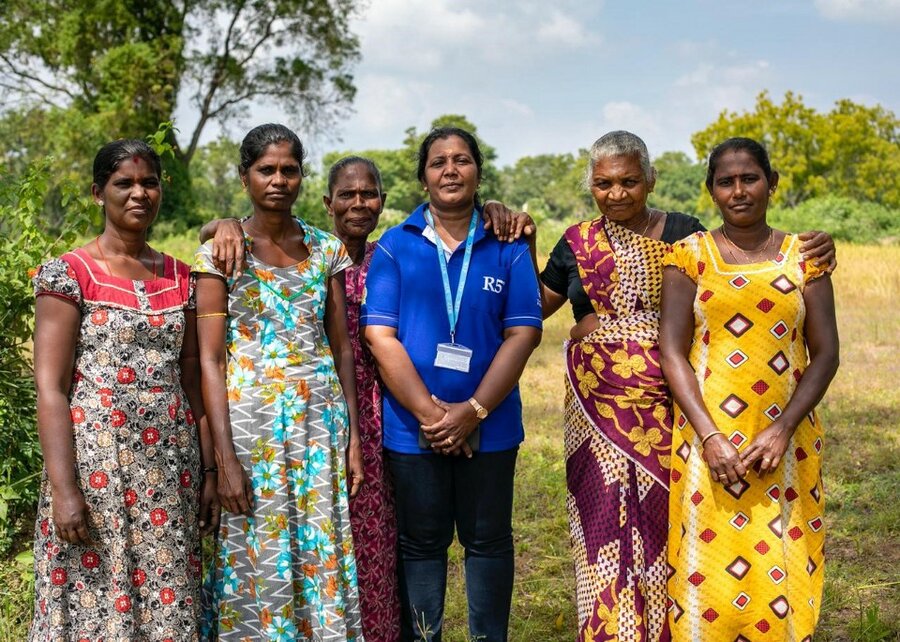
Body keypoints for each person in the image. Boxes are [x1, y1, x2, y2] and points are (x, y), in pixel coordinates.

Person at [520, 130, 836, 641]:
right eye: (604, 184)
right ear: (591, 187)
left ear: (650, 181)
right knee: (601, 529)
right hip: (596, 414)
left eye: (628, 182)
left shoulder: (685, 236)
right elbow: (533, 307)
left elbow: (745, 273)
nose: (617, 194)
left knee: (673, 530)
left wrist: (819, 245)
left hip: (671, 410)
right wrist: (520, 246)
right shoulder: (577, 243)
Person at [29, 139, 217, 641]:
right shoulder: (70, 274)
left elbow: (192, 380)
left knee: (166, 606)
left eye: (149, 182)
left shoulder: (182, 278)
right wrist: (65, 489)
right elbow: (50, 388)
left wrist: (210, 470)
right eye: (124, 183)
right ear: (98, 193)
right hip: (95, 472)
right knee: (96, 608)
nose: (139, 193)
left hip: (168, 474)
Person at [361, 127, 543, 642]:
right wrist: (432, 415)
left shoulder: (506, 245)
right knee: (421, 544)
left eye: (461, 160)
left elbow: (525, 331)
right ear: (423, 176)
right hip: (411, 428)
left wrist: (475, 411)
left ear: (478, 172)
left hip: (493, 423)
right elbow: (380, 335)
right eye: (438, 161)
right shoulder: (397, 246)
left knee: (488, 542)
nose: (450, 170)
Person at [660, 137, 838, 638]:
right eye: (725, 181)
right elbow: (672, 352)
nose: (739, 191)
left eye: (750, 178)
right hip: (706, 436)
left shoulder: (806, 257)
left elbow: (826, 353)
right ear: (711, 191)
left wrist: (782, 429)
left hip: (785, 438)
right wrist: (711, 437)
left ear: (771, 183)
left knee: (782, 562)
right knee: (706, 568)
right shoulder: (687, 256)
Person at [192, 124, 365, 640]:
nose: (278, 180)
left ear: (302, 177)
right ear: (244, 176)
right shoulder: (220, 252)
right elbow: (210, 362)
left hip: (319, 425)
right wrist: (223, 460)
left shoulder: (326, 248)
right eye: (266, 169)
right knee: (255, 547)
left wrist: (354, 436)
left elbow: (340, 349)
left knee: (319, 545)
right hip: (251, 429)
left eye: (289, 169)